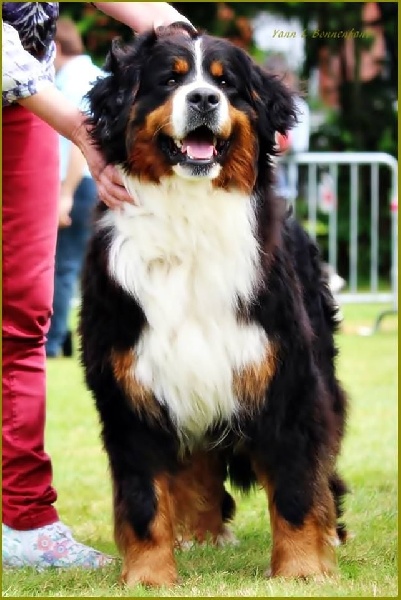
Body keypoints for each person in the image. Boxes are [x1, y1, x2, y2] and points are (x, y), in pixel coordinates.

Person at [2, 2, 193, 569]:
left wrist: (189, 46)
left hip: (19, 109)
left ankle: (26, 519)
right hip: (31, 88)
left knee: (24, 315)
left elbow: (148, 11)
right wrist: (80, 129)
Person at [46, 18, 103, 358]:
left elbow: (85, 142)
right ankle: (59, 338)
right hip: (88, 185)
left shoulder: (74, 79)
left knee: (62, 267)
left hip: (78, 184)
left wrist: (64, 195)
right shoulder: (92, 73)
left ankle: (50, 343)